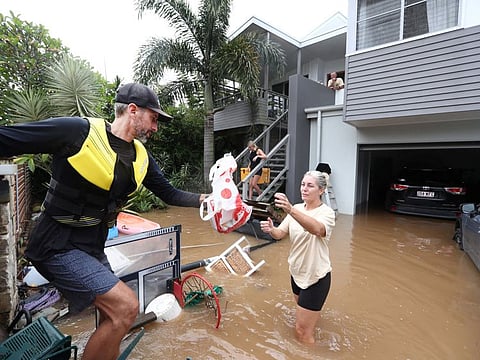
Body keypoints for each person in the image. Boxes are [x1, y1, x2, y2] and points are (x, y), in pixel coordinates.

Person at [0, 83, 207, 360]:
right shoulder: (77, 132)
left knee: (110, 316)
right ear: (133, 111)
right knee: (125, 307)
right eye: (154, 118)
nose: (156, 127)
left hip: (92, 248)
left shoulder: (141, 157)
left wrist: (206, 199)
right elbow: (9, 138)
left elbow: (169, 193)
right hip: (56, 244)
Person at [260, 171, 335, 344]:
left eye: (310, 185)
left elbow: (317, 230)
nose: (304, 189)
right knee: (303, 320)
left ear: (321, 190)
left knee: (301, 332)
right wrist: (271, 229)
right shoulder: (297, 209)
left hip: (316, 277)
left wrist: (290, 209)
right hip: (296, 273)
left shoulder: (327, 213)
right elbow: (280, 233)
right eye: (303, 184)